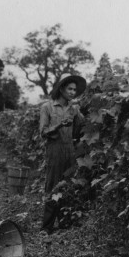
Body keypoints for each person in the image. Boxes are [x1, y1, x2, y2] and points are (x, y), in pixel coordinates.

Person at [39, 74, 86, 234]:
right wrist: (59, 125)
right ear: (62, 89)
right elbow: (43, 132)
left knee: (67, 186)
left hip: (70, 151)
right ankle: (46, 227)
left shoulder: (74, 109)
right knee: (52, 186)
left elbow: (81, 129)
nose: (73, 92)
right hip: (54, 151)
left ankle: (65, 222)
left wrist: (80, 116)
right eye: (70, 89)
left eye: (75, 90)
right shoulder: (48, 107)